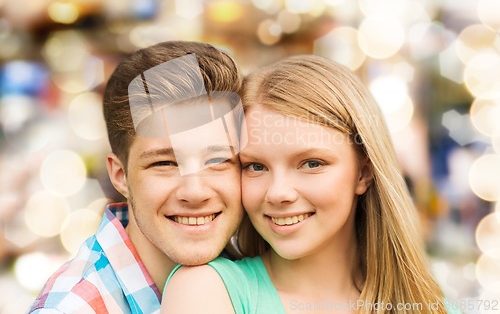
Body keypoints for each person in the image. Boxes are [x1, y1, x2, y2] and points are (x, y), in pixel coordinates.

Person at [162, 55, 459, 314]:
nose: (278, 193)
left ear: (363, 173)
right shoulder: (207, 291)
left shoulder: (434, 307)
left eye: (311, 164)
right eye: (256, 166)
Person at [27, 41, 245, 313]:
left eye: (217, 160)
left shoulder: (251, 272)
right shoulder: (74, 307)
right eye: (165, 163)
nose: (195, 191)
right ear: (120, 176)